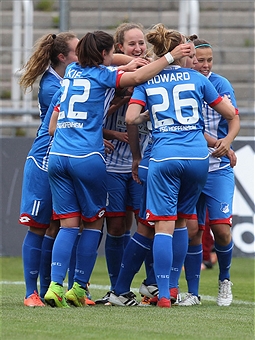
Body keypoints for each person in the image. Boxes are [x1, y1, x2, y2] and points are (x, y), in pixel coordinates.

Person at [43, 29, 191, 308]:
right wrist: (170, 56)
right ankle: (77, 288)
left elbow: (52, 127)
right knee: (93, 223)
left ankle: (53, 287)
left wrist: (125, 63)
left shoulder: (73, 71)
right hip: (86, 157)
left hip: (57, 156)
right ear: (103, 54)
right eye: (111, 52)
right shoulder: (104, 76)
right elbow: (135, 79)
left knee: (67, 225)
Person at [109, 24, 237, 308]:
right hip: (195, 158)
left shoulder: (146, 78)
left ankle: (149, 290)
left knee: (150, 227)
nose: (196, 60)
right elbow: (227, 116)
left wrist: (142, 133)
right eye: (192, 54)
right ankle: (162, 288)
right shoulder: (196, 79)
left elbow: (131, 119)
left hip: (159, 158)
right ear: (180, 53)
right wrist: (224, 142)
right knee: (181, 223)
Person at [19, 32, 79, 307]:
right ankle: (31, 293)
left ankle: (48, 290)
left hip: (62, 157)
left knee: (56, 226)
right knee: (38, 227)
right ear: (62, 57)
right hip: (44, 159)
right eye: (78, 52)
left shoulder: (69, 79)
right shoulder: (52, 87)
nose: (83, 56)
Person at [179, 37, 240, 307]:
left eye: (208, 60)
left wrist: (226, 143)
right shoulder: (181, 83)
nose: (204, 65)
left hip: (217, 170)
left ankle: (224, 279)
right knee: (192, 230)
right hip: (192, 167)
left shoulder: (221, 84)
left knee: (222, 230)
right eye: (199, 60)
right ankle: (192, 291)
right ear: (190, 59)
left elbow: (233, 118)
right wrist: (218, 144)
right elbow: (188, 126)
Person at [95, 23, 151, 305]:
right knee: (116, 227)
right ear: (119, 48)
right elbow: (90, 117)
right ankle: (119, 288)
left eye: (141, 43)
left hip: (144, 164)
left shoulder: (152, 74)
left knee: (148, 223)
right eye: (132, 44)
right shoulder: (108, 75)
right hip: (112, 165)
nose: (139, 48)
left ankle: (152, 285)